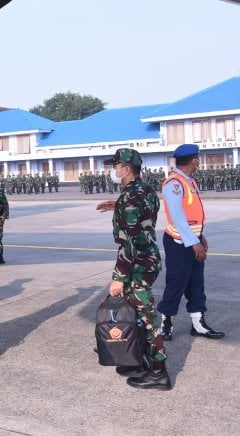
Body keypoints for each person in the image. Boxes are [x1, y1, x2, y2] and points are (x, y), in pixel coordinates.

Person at [96, 148, 170, 390]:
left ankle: (158, 372)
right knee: (135, 314)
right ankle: (134, 359)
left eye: (116, 165)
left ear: (126, 169)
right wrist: (115, 205)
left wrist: (118, 277)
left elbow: (129, 241)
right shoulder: (145, 190)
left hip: (136, 265)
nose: (114, 170)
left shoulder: (130, 198)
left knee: (146, 317)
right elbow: (142, 216)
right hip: (147, 260)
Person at [156, 144, 224, 341]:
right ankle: (166, 323)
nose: (198, 162)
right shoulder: (174, 184)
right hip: (179, 243)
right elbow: (177, 216)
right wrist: (193, 242)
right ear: (193, 161)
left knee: (196, 283)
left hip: (193, 239)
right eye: (198, 159)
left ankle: (198, 323)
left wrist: (199, 236)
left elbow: (192, 215)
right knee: (176, 283)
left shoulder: (189, 181)